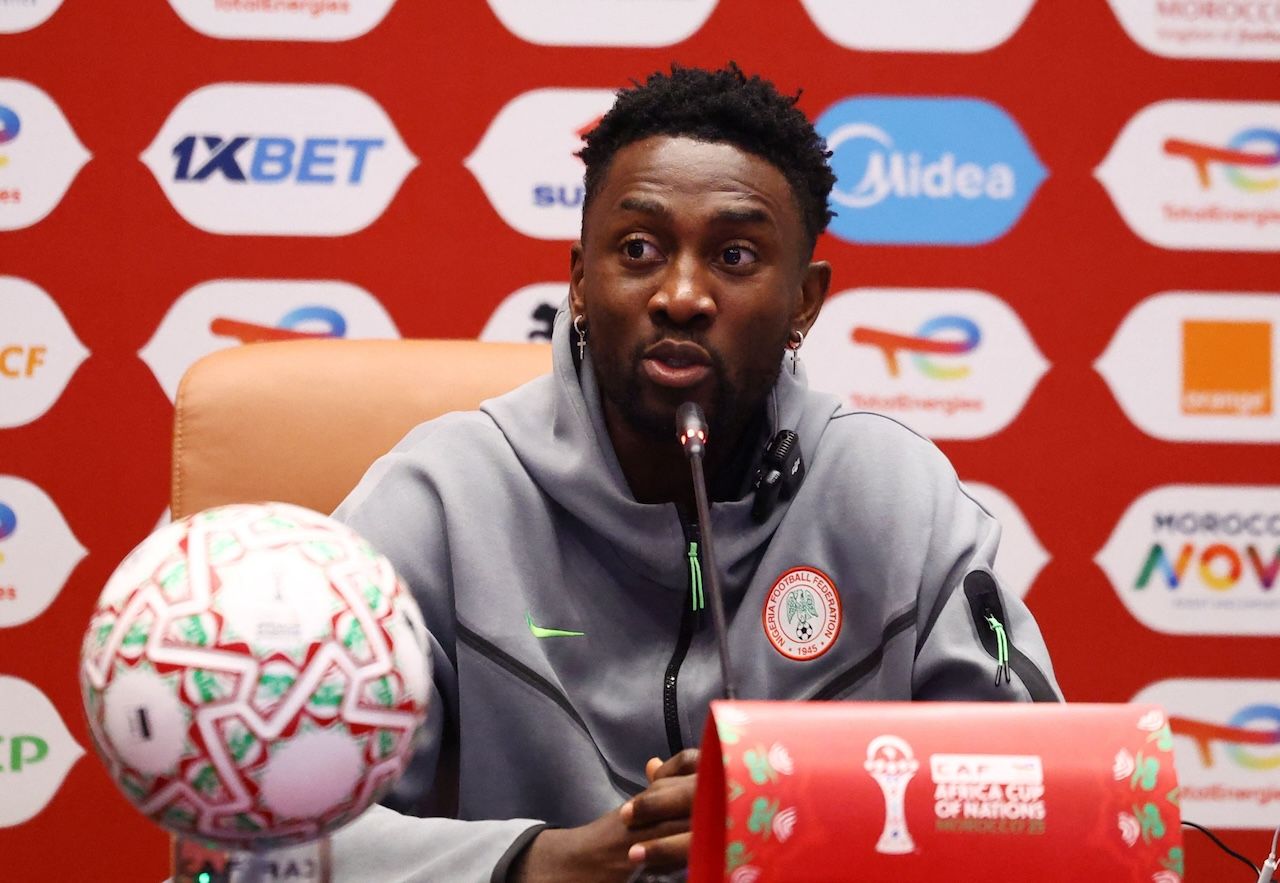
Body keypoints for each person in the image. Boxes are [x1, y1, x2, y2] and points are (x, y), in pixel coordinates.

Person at [331, 63, 1061, 883]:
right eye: (638, 249)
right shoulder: (439, 499)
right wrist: (540, 862)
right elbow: (272, 837)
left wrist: (806, 817)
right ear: (579, 281)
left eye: (735, 255)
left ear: (804, 302)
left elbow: (1043, 798)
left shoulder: (898, 498)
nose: (681, 295)